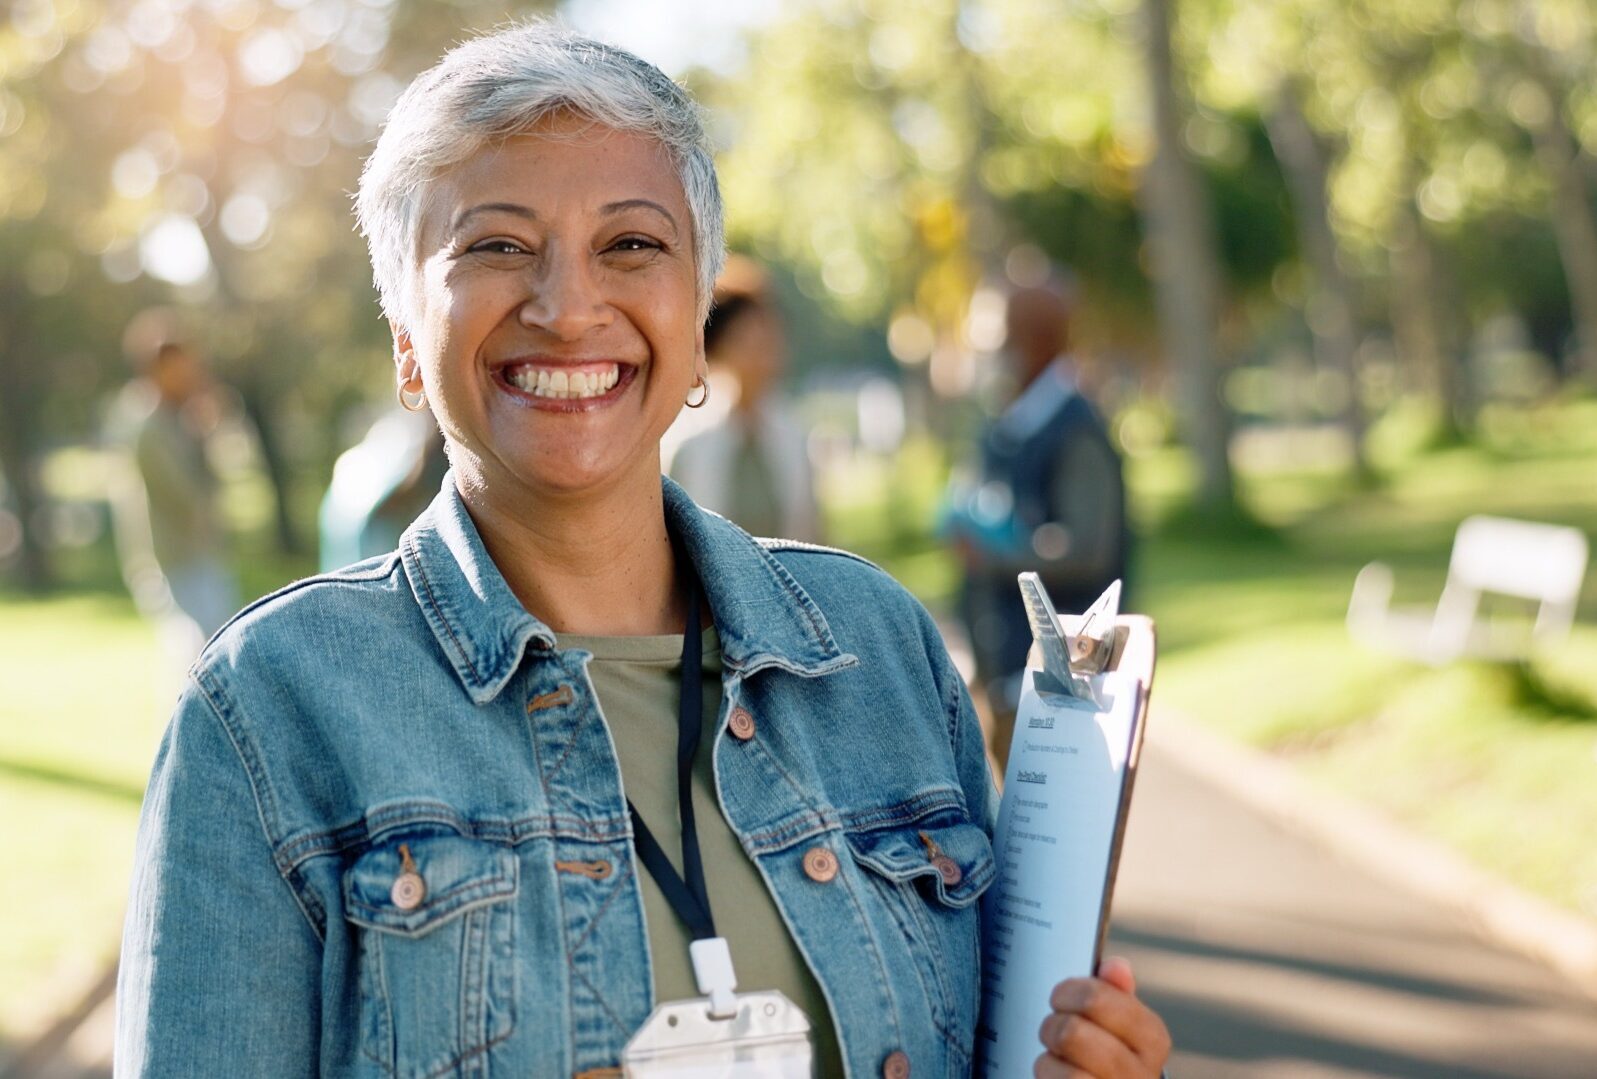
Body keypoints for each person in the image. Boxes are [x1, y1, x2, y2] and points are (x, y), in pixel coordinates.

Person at [117, 23, 1169, 1079]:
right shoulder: (265, 710)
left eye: (630, 245)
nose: (568, 308)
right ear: (404, 337)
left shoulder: (878, 650)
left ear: (698, 317)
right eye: (495, 245)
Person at [947, 280, 1129, 769]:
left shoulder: (1075, 429)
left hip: (1063, 683)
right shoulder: (1013, 421)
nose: (997, 352)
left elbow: (1087, 548)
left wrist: (996, 556)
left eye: (1004, 337)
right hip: (1009, 670)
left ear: (1035, 339)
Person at [105, 311, 239, 671]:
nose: (190, 373)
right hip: (173, 561)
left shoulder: (171, 417)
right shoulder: (149, 425)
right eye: (180, 365)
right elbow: (188, 496)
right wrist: (204, 431)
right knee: (200, 664)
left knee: (207, 659)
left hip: (194, 553)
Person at [669, 259, 823, 541]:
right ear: (721, 344)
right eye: (750, 338)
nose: (766, 349)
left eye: (770, 334)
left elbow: (814, 533)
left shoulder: (792, 433)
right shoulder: (687, 435)